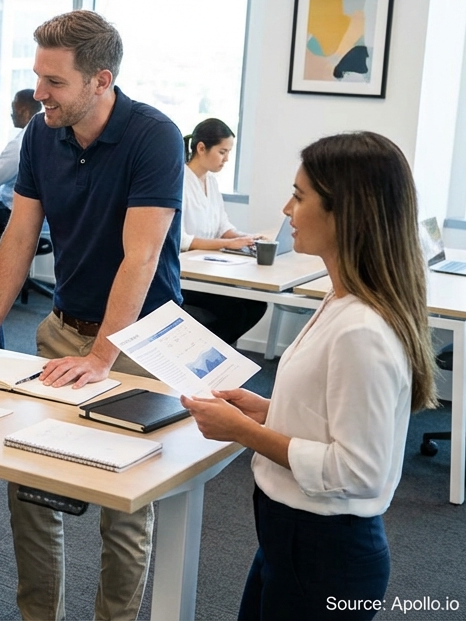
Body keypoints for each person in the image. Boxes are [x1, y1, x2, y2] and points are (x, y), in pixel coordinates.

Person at [0, 10, 183, 621]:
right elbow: (20, 234)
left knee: (123, 500)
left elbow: (142, 254)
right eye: (37, 78)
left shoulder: (152, 136)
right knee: (33, 486)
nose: (39, 95)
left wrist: (102, 356)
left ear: (101, 81)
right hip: (60, 330)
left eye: (55, 82)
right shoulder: (40, 136)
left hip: (139, 342)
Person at [182, 132, 436, 621]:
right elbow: (328, 418)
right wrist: (266, 412)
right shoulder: (340, 300)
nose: (285, 209)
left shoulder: (363, 330)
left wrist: (246, 433)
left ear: (347, 212)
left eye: (299, 197)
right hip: (292, 538)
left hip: (326, 551)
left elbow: (358, 472)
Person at [179, 117, 268, 346]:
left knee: (256, 303)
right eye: (222, 152)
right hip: (185, 277)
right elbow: (181, 240)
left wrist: (244, 238)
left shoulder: (212, 182)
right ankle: (209, 353)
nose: (227, 159)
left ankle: (214, 350)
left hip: (208, 270)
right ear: (201, 148)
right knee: (236, 310)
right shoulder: (178, 181)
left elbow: (223, 227)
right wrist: (227, 244)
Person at [0, 89, 41, 251]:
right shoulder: (39, 135)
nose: (11, 114)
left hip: (15, 213)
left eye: (13, 109)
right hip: (37, 215)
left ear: (23, 111)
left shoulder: (20, 144)